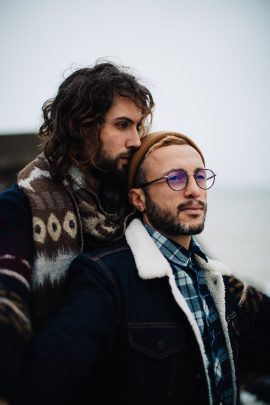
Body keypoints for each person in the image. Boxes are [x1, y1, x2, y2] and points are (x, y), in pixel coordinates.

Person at [8, 131, 270, 405]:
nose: (194, 189)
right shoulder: (104, 277)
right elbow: (45, 381)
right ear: (138, 199)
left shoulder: (215, 278)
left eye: (200, 176)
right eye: (175, 178)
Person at [0, 60, 154, 399]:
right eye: (123, 125)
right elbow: (6, 304)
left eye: (138, 126)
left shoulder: (132, 206)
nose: (135, 140)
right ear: (81, 127)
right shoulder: (20, 207)